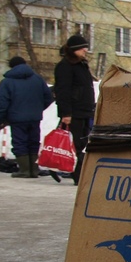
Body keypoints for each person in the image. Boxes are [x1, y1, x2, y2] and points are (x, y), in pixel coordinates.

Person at [0, 57, 54, 178]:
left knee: (20, 143)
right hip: (34, 118)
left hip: (16, 118)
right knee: (33, 142)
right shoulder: (37, 79)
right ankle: (34, 170)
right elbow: (48, 97)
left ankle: (25, 170)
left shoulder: (7, 82)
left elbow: (1, 102)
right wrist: (37, 108)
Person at [54, 35, 96, 185]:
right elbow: (63, 91)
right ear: (74, 50)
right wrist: (65, 113)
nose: (86, 50)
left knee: (81, 144)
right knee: (74, 144)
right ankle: (78, 175)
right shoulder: (65, 66)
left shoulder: (81, 64)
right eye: (82, 47)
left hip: (84, 111)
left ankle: (74, 171)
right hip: (74, 112)